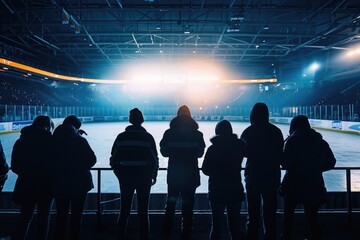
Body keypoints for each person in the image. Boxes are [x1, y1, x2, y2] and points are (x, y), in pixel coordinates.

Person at [280, 115, 336, 240]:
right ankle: (315, 237)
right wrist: (316, 169)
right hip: (314, 184)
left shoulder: (292, 141)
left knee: (288, 214)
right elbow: (331, 162)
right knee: (312, 216)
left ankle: (286, 237)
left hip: (293, 184)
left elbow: (286, 163)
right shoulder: (319, 141)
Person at [110, 108, 159, 240]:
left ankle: (120, 236)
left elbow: (113, 159)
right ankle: (144, 237)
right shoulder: (148, 137)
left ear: (130, 120)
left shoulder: (121, 137)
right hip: (144, 177)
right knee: (143, 211)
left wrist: (119, 173)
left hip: (125, 177)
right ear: (142, 120)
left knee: (124, 209)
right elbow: (155, 159)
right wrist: (153, 175)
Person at [160, 105, 206, 240]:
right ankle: (186, 234)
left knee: (171, 204)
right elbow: (199, 153)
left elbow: (164, 152)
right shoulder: (198, 135)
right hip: (190, 176)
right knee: (188, 207)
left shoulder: (169, 133)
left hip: (174, 175)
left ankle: (166, 233)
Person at [240, 102, 284, 240]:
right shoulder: (276, 131)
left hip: (253, 176)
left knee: (253, 212)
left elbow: (243, 152)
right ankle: (270, 236)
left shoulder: (248, 131)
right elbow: (280, 154)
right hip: (271, 176)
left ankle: (252, 236)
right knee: (270, 212)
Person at [11, 115, 55, 240]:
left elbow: (14, 165)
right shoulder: (51, 141)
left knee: (25, 216)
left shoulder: (21, 141)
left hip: (26, 184)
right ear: (48, 126)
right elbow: (57, 163)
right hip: (46, 186)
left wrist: (26, 174)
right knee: (44, 217)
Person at [53, 115, 96, 240]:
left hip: (59, 182)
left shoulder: (53, 140)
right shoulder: (80, 141)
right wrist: (81, 169)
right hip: (80, 183)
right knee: (76, 216)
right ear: (76, 128)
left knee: (61, 215)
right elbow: (92, 160)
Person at [202, 120, 246, 240]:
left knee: (216, 227)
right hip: (235, 189)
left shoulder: (213, 149)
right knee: (235, 226)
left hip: (217, 190)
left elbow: (205, 169)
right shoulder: (239, 147)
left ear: (217, 132)